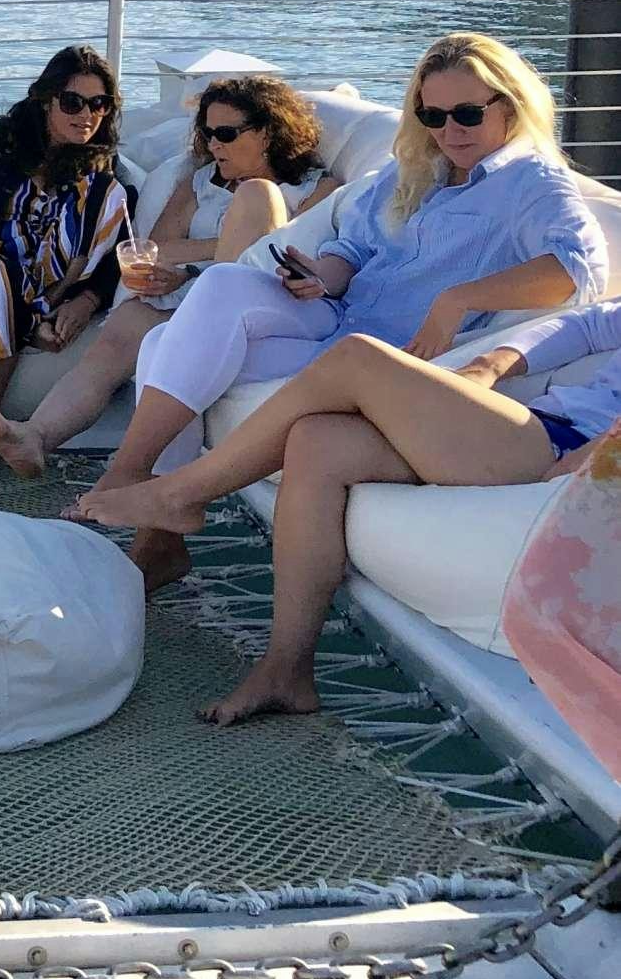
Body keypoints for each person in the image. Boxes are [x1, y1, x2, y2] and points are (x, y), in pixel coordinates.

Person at [87, 31, 608, 591]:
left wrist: (459, 298)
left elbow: (579, 270)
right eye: (432, 115)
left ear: (510, 106)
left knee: (167, 344)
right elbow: (353, 246)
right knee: (217, 289)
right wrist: (321, 276)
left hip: (386, 358)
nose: (449, 131)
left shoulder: (530, 183)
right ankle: (145, 497)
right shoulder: (414, 168)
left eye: (466, 114)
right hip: (338, 317)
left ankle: (150, 518)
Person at [70, 298, 619, 724]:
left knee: (357, 357)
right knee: (318, 439)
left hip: (563, 456)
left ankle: (181, 494)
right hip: (539, 425)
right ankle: (288, 668)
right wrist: (489, 364)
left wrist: (593, 458)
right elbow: (587, 326)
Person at [0, 74, 338, 483]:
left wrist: (194, 265)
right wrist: (192, 267)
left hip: (257, 305)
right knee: (122, 334)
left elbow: (276, 253)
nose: (214, 143)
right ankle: (35, 436)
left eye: (226, 133)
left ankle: (139, 481)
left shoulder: (314, 190)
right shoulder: (201, 181)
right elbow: (158, 246)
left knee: (256, 196)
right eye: (207, 132)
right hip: (188, 291)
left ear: (268, 134)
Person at [0, 46, 133, 489]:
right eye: (73, 103)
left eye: (99, 104)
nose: (87, 116)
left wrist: (87, 301)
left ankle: (36, 315)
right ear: (46, 99)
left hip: (62, 279)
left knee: (115, 195)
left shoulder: (101, 165)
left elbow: (119, 246)